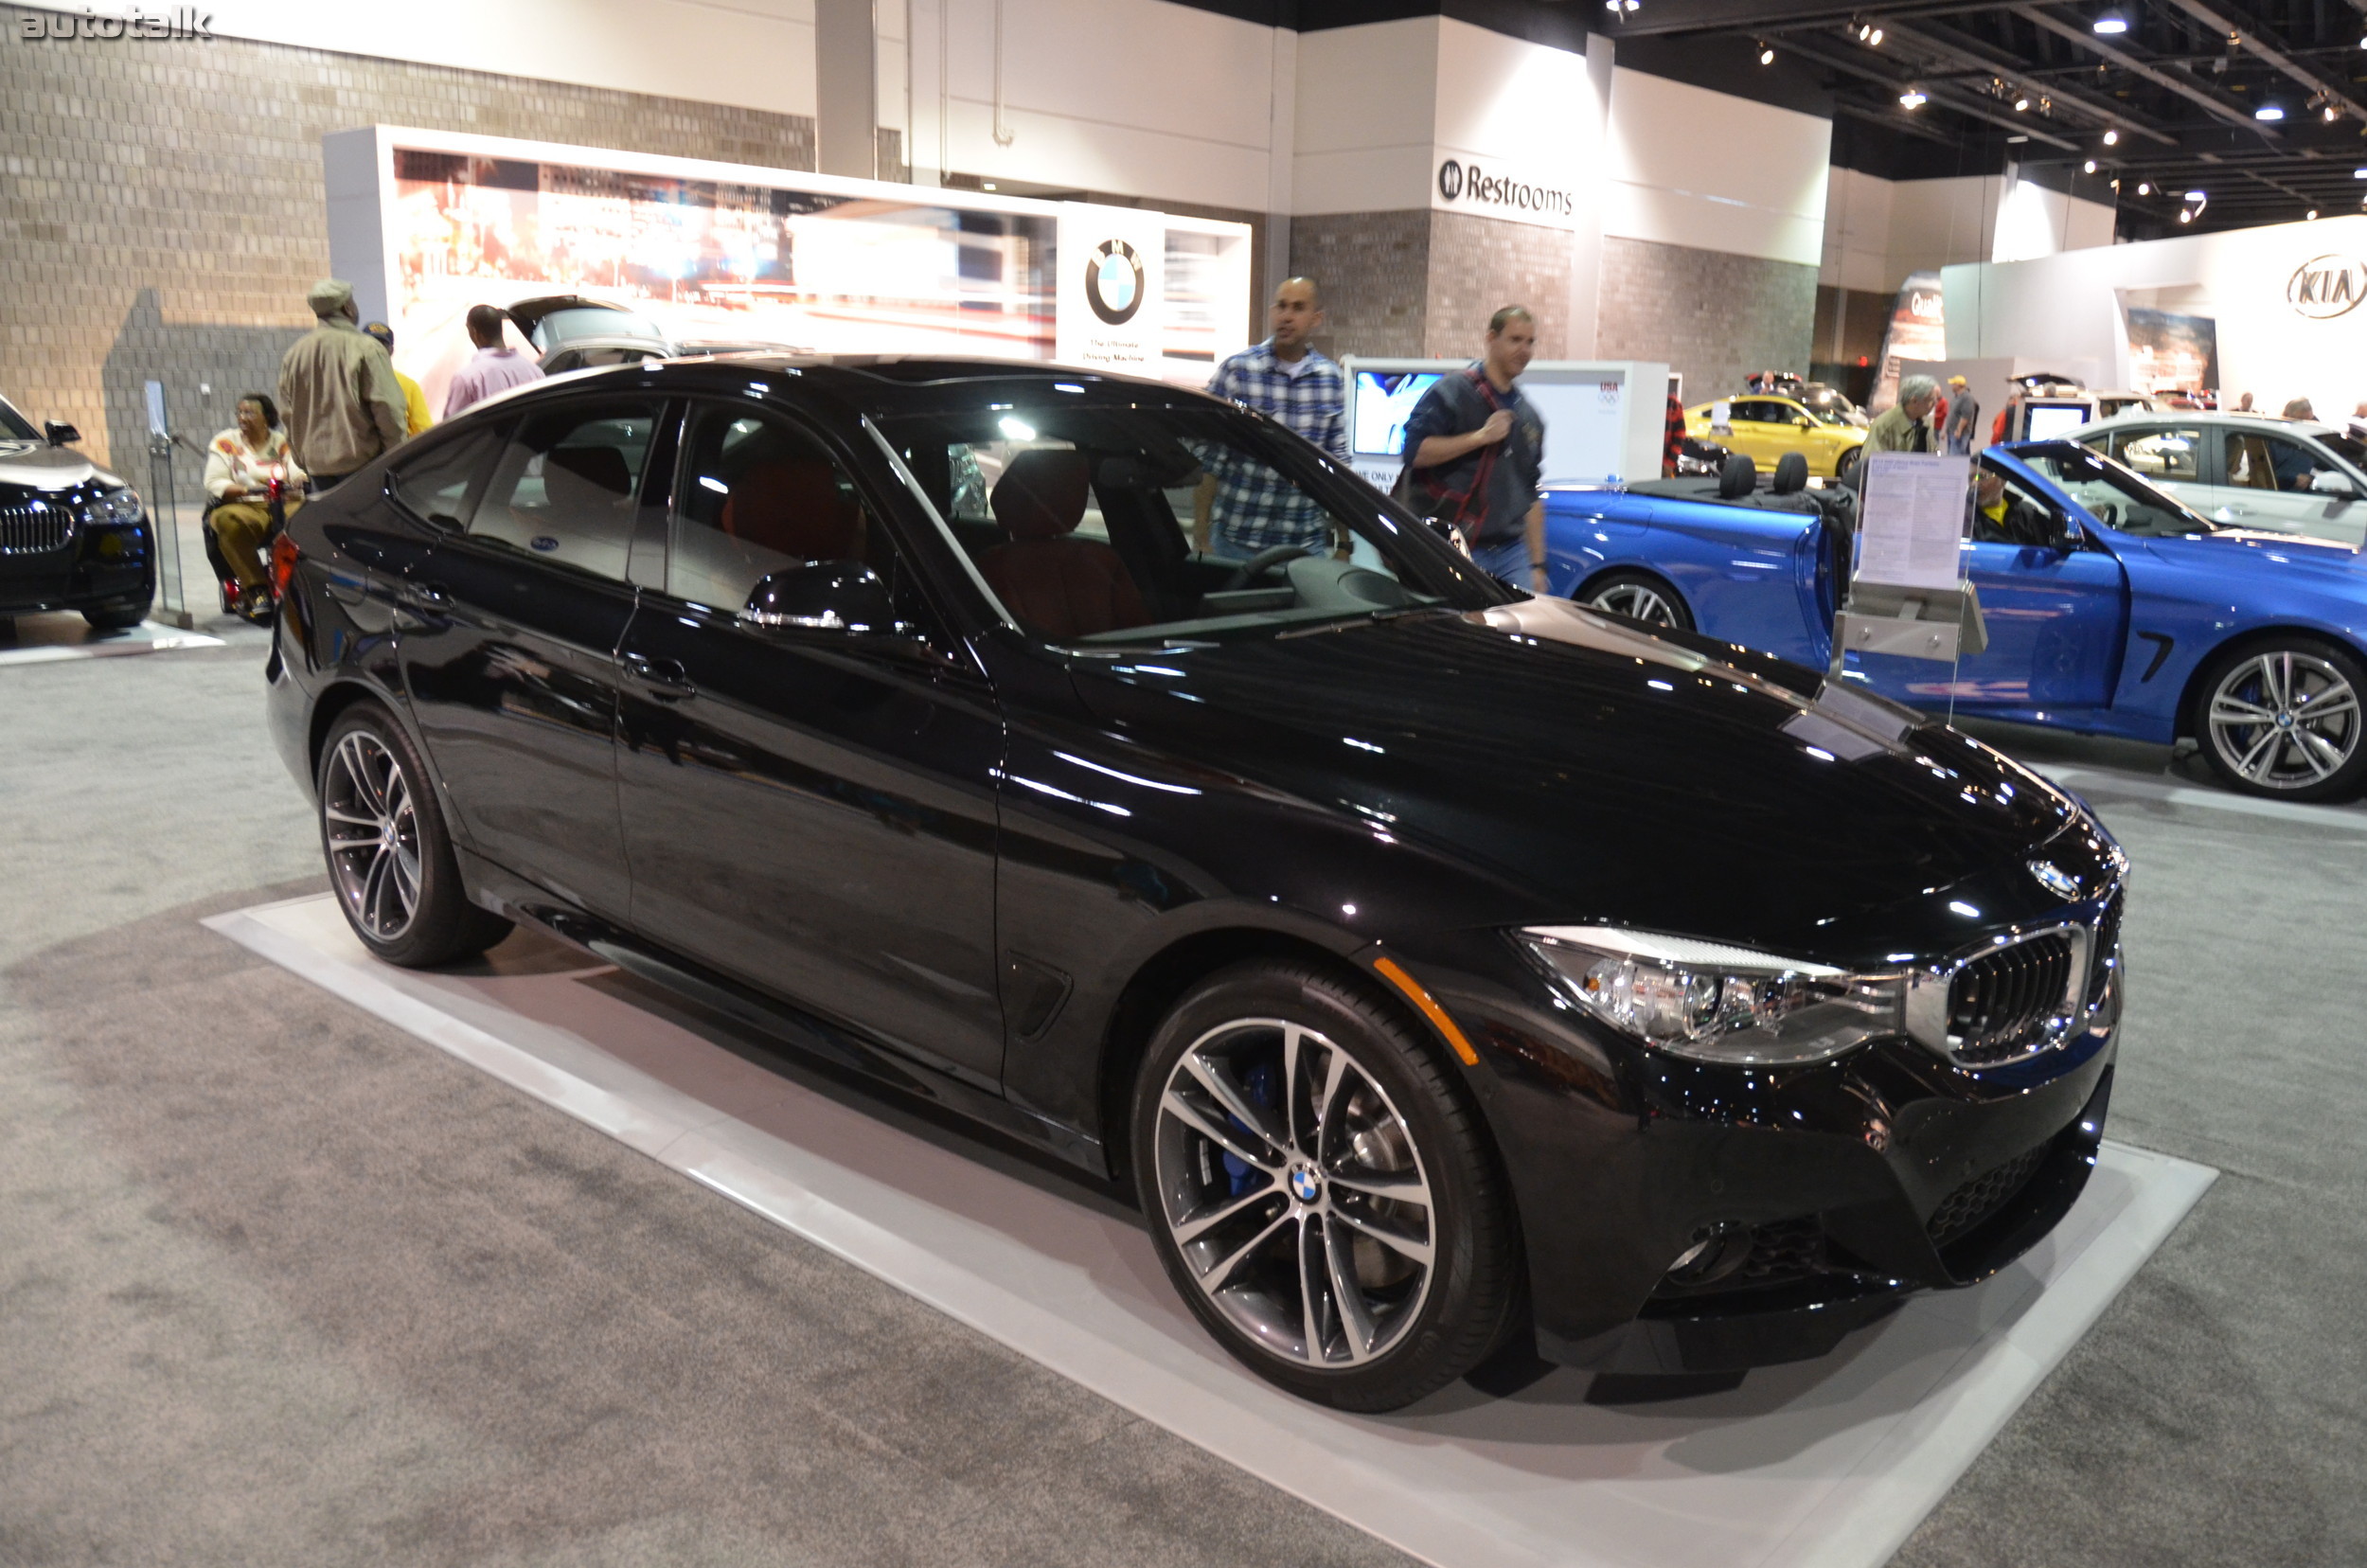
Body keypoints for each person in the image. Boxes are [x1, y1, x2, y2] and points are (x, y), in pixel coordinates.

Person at [1193, 276, 1349, 560]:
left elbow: (1336, 468)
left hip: (1303, 545)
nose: (1287, 316)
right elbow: (1208, 459)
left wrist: (1345, 543)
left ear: (1316, 318)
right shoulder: (1238, 371)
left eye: (1298, 308)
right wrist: (1200, 535)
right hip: (1235, 541)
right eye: (1282, 306)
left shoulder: (1330, 380)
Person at [1401, 306, 1548, 592]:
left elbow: (1529, 495)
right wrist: (1480, 437)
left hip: (1510, 552)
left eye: (1530, 342)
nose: (1524, 350)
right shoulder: (1454, 391)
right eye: (1515, 339)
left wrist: (1538, 566)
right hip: (1453, 546)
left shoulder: (1529, 417)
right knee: (1459, 632)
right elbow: (1415, 452)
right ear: (1491, 338)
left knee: (1521, 630)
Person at [276, 277, 406, 491]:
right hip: (364, 466)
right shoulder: (367, 348)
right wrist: (395, 457)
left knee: (332, 524)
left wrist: (303, 460)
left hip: (317, 468)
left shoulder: (294, 354)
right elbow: (388, 407)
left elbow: (288, 414)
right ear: (348, 307)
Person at [203, 393, 306, 616]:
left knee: (305, 514)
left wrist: (299, 477)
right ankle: (257, 588)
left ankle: (299, 583)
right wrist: (245, 489)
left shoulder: (282, 442)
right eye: (239, 412)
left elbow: (296, 468)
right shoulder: (226, 442)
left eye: (249, 412)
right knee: (226, 521)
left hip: (283, 502)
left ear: (266, 417)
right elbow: (214, 480)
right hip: (246, 505)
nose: (242, 417)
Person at [443, 304, 544, 419]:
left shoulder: (467, 378)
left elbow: (452, 426)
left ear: (475, 333)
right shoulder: (535, 372)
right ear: (500, 330)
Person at [363, 320, 433, 437]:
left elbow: (424, 433)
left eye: (381, 345)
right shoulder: (351, 384)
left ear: (391, 350)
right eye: (371, 344)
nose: (376, 350)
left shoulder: (409, 386)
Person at [1968, 468, 2054, 548]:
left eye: (1982, 477)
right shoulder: (1964, 520)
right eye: (1970, 478)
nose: (1974, 484)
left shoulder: (2027, 512)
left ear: (2003, 479)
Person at [1865, 375, 1939, 455]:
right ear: (1914, 401)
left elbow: (1933, 453)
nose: (1935, 404)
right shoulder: (1884, 426)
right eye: (1931, 400)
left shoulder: (1925, 425)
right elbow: (1871, 462)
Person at [1941, 375, 1981, 455]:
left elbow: (1966, 415)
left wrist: (1959, 430)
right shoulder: (1956, 398)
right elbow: (1951, 415)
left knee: (1955, 456)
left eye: (1953, 384)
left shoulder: (1967, 398)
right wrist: (1946, 431)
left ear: (1958, 385)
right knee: (1952, 455)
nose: (1951, 386)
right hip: (1952, 432)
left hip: (1959, 434)